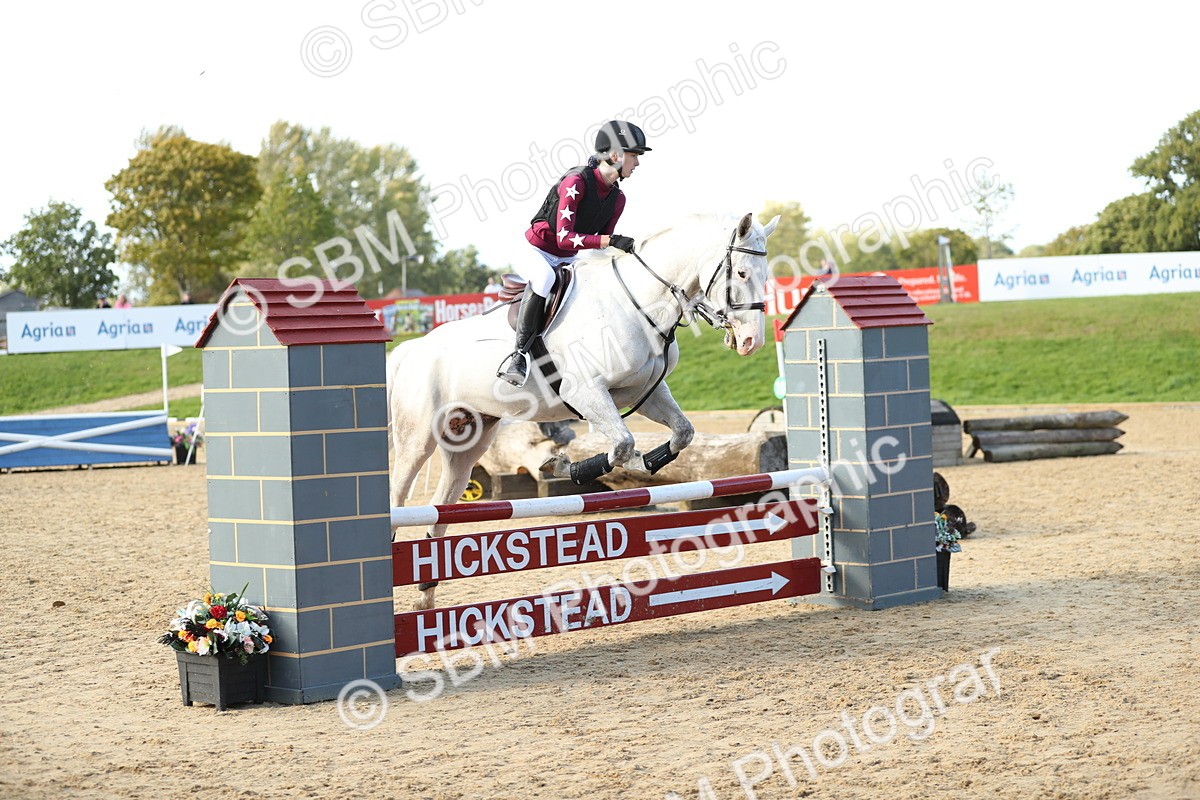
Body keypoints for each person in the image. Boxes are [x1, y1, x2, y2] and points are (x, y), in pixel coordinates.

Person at [497, 119, 650, 387]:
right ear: (615, 155)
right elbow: (565, 238)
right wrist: (610, 240)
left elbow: (596, 246)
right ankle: (518, 355)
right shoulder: (576, 182)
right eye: (634, 155)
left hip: (568, 257)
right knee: (545, 278)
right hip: (536, 250)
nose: (637, 163)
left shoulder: (617, 199)